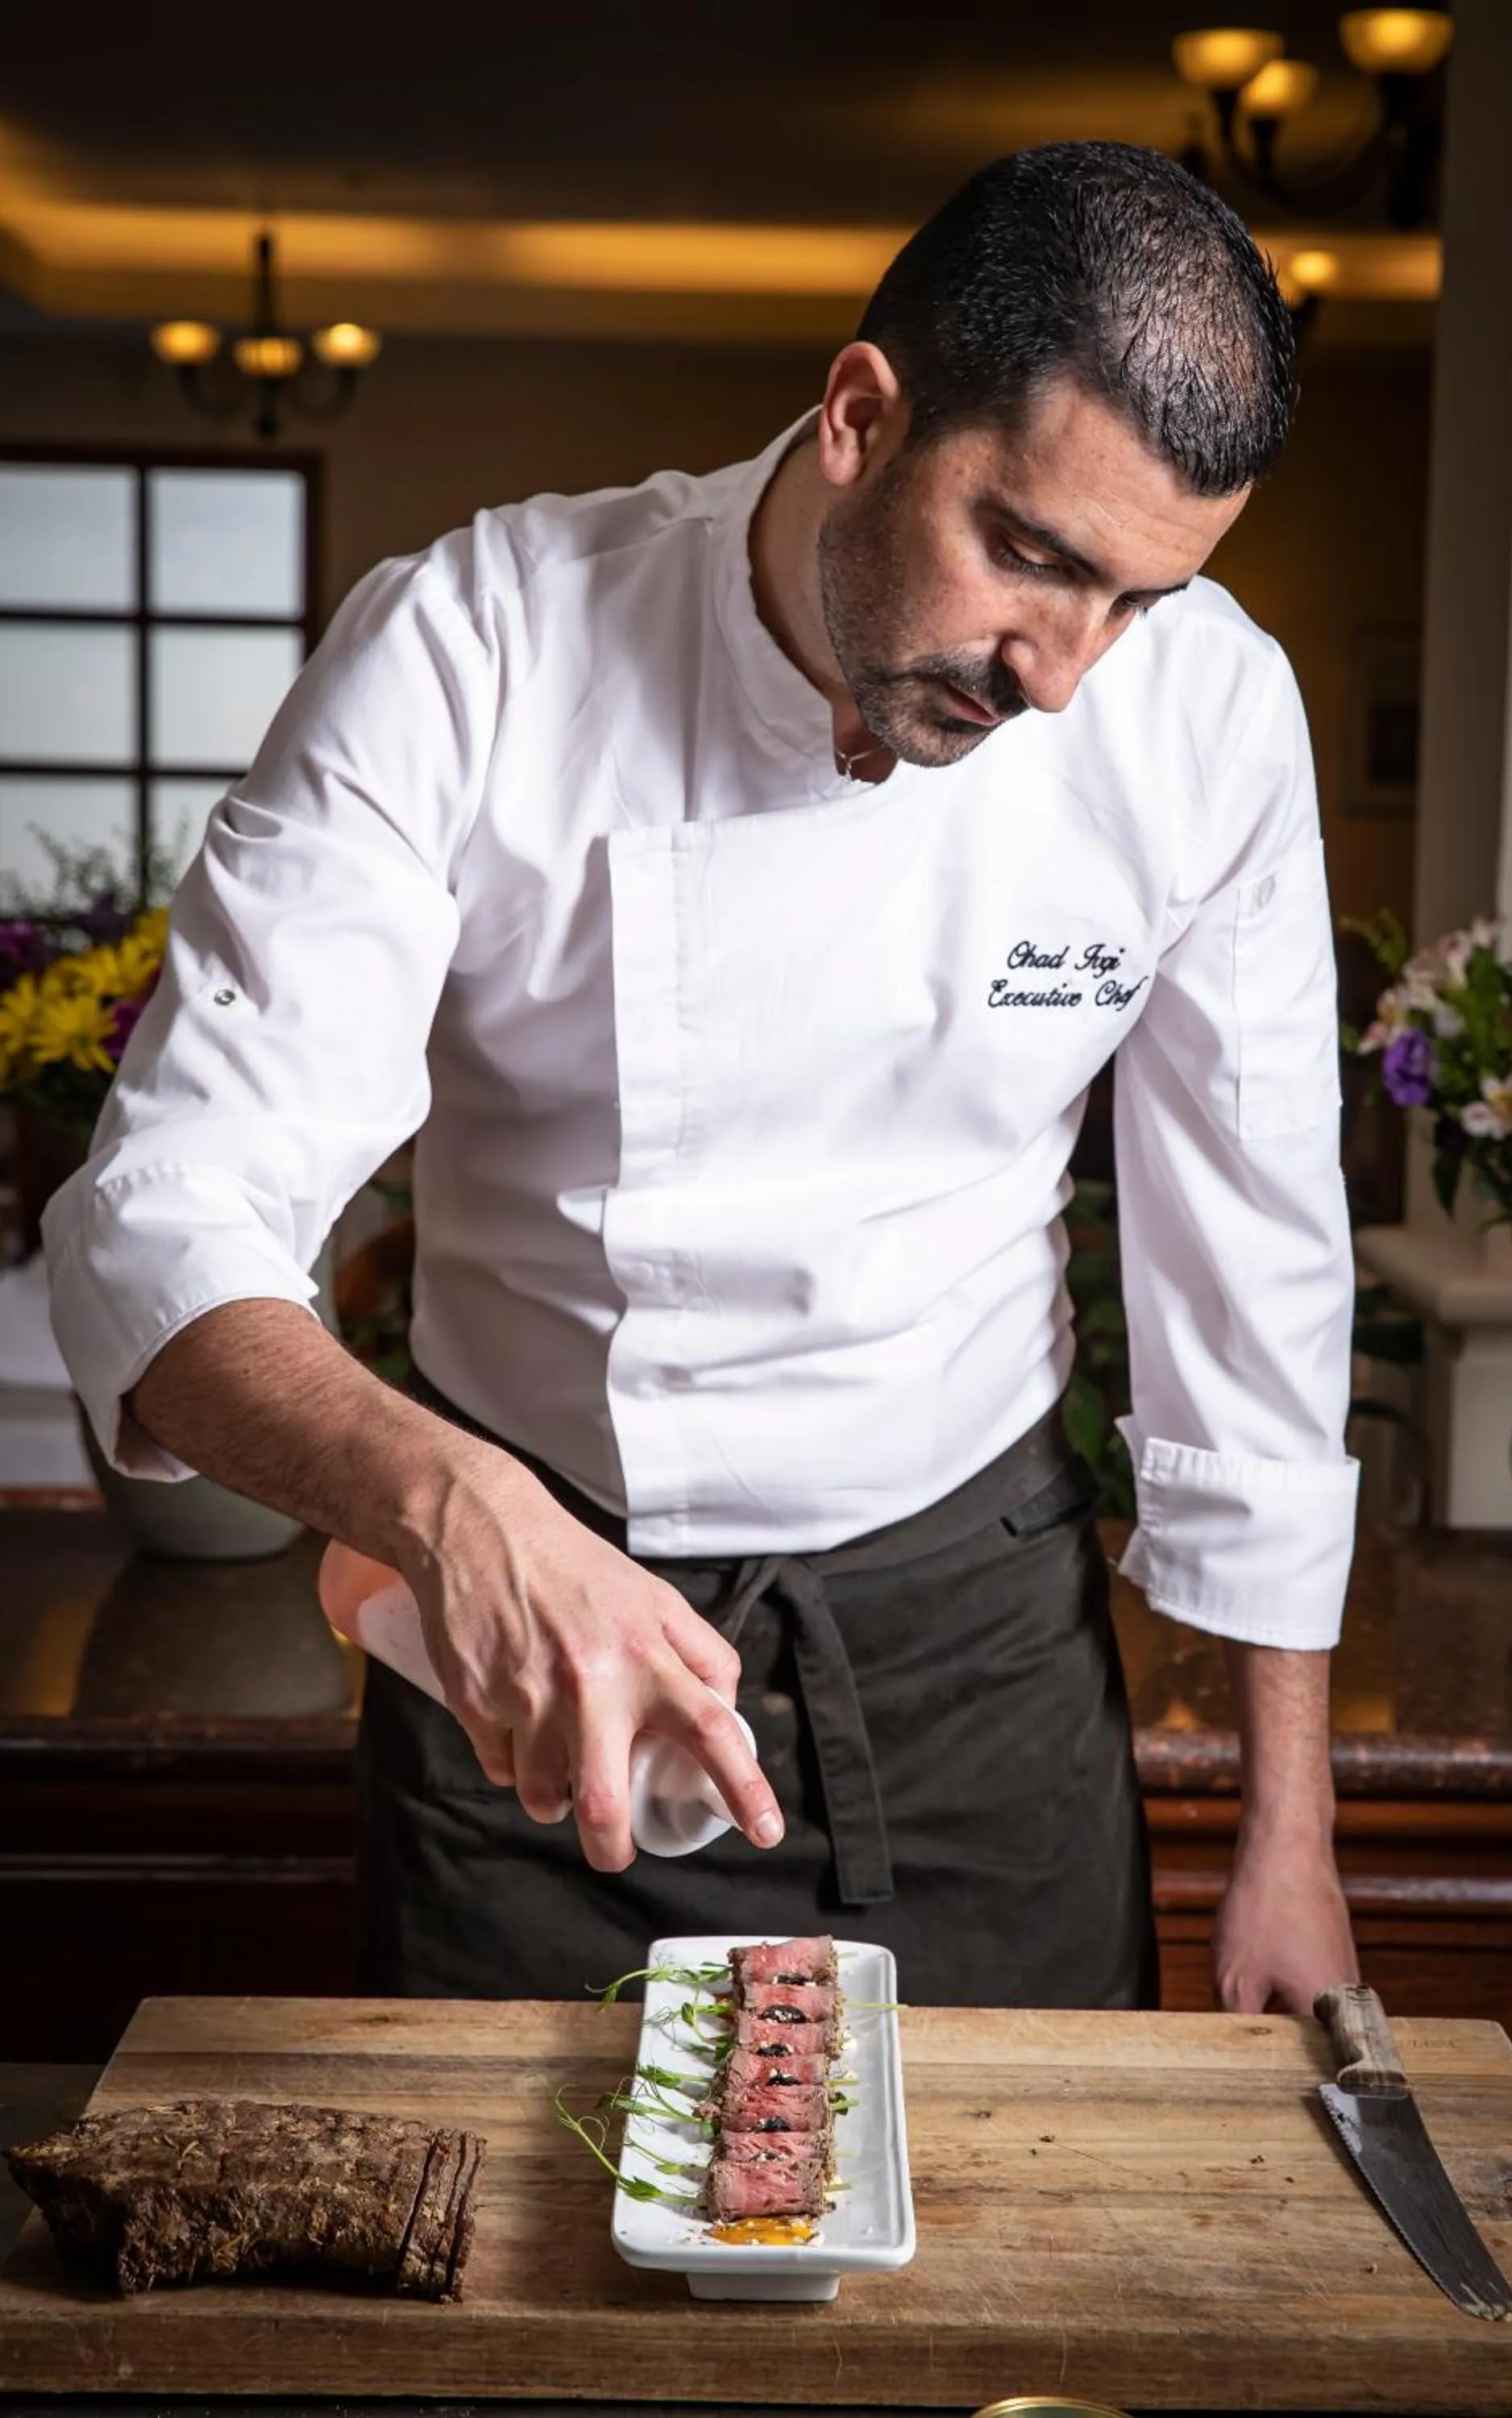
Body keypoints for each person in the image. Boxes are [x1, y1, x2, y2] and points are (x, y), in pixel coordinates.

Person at [44, 142, 1360, 2017]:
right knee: (503, 2278)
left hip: (976, 1662)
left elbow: (1258, 1292)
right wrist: (441, 1500)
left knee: (1015, 2283)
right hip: (522, 1663)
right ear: (857, 415)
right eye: (1032, 556)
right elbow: (165, 1222)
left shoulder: (1209, 718)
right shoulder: (475, 645)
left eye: (1132, 601)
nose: (1061, 675)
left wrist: (1286, 1840)